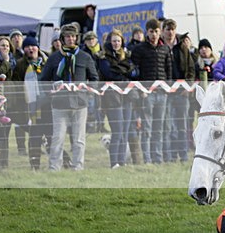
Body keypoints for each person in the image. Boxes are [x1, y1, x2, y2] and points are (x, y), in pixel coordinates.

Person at [39, 24, 99, 171]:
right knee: (58, 138)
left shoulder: (85, 57)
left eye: (73, 36)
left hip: (80, 104)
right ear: (62, 39)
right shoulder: (54, 58)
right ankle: (54, 167)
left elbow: (94, 78)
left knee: (79, 139)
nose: (70, 39)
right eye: (67, 36)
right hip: (59, 104)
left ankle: (78, 166)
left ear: (76, 38)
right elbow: (43, 80)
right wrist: (51, 93)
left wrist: (88, 93)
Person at [130, 18, 172, 164]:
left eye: (156, 31)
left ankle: (157, 158)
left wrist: (167, 88)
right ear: (147, 32)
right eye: (151, 31)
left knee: (159, 127)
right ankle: (147, 158)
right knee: (147, 127)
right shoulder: (139, 49)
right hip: (146, 93)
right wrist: (140, 90)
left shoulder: (165, 49)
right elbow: (135, 71)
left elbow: (168, 70)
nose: (154, 34)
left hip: (162, 93)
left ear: (160, 32)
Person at [11, 33, 50, 170]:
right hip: (31, 108)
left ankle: (58, 163)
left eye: (33, 46)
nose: (30, 49)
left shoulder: (47, 61)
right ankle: (35, 166)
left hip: (48, 105)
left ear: (38, 47)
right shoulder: (20, 65)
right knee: (34, 136)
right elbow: (15, 85)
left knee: (51, 135)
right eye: (27, 47)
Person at [98, 29, 136, 168]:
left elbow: (134, 73)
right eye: (114, 41)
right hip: (112, 98)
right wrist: (124, 71)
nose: (116, 43)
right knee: (117, 131)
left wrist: (120, 70)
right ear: (109, 42)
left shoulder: (127, 55)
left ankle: (122, 161)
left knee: (125, 131)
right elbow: (109, 73)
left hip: (127, 96)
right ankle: (114, 163)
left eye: (118, 41)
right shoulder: (103, 57)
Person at [162, 19, 195, 163]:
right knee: (169, 125)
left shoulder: (182, 47)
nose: (170, 32)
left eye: (172, 29)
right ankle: (170, 155)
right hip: (166, 92)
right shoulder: (160, 46)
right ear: (163, 31)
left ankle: (183, 155)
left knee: (182, 125)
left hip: (182, 92)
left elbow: (190, 68)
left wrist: (188, 87)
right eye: (168, 29)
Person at [0, 36, 13, 170]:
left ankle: (3, 165)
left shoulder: (11, 60)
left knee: (4, 135)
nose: (5, 48)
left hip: (7, 103)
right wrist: (6, 61)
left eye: (7, 46)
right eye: (2, 45)